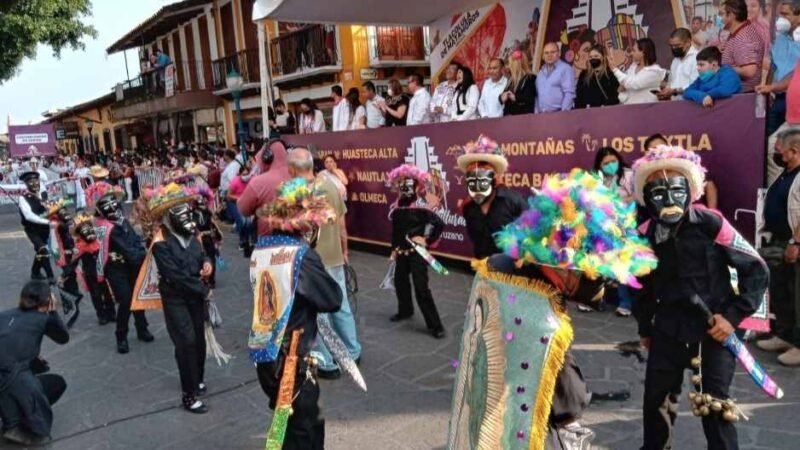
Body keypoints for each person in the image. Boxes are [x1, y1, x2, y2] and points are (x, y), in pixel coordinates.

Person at [449, 170, 657, 450]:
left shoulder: (557, 277)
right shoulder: (508, 273)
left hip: (550, 387)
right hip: (509, 389)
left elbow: (587, 296)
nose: (577, 278)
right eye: (574, 271)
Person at [632, 146, 768, 450]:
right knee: (655, 403)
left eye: (675, 188)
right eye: (657, 190)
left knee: (716, 409)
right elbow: (640, 284)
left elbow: (756, 269)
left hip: (713, 330)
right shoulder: (643, 234)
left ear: (690, 190)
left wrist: (732, 318)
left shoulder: (712, 223)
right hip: (667, 329)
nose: (668, 198)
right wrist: (645, 327)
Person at [250, 177, 342, 449]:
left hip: (265, 352)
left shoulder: (262, 248)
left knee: (289, 418)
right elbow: (332, 298)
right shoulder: (301, 255)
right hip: (291, 360)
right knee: (304, 427)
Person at [278, 149, 362, 380]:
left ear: (293, 169)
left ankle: (327, 362)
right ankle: (352, 350)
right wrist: (344, 250)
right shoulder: (331, 185)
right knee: (341, 303)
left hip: (310, 262)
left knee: (316, 313)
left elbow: (286, 228)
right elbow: (342, 224)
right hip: (333, 255)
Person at [148, 184, 213, 413]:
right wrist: (202, 289)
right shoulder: (160, 243)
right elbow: (174, 275)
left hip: (195, 296)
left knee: (199, 340)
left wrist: (207, 265)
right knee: (186, 342)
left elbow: (203, 255)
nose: (187, 215)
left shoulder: (193, 236)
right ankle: (189, 393)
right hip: (176, 297)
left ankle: (197, 378)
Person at [0, 281, 69, 446]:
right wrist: (52, 312)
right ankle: (18, 425)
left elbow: (10, 345)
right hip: (11, 378)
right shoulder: (42, 318)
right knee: (56, 383)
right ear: (46, 301)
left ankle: (12, 417)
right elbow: (63, 337)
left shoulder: (5, 315)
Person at [93, 184, 154, 354]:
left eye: (114, 204)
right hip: (117, 269)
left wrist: (143, 254)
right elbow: (127, 249)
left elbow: (134, 241)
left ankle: (142, 329)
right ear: (101, 211)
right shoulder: (107, 228)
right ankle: (121, 336)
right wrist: (141, 257)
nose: (113, 208)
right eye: (107, 207)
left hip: (132, 266)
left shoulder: (123, 220)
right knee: (126, 301)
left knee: (137, 297)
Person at [757, 127, 800, 366]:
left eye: (779, 151)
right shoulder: (786, 173)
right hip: (780, 241)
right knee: (781, 291)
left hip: (795, 243)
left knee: (798, 295)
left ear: (793, 151)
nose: (776, 154)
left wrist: (796, 242)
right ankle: (784, 335)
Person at [387, 164, 445, 338]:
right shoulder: (396, 208)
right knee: (400, 283)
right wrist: (393, 250)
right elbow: (396, 231)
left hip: (418, 253)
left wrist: (426, 239)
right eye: (401, 185)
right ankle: (405, 311)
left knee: (421, 288)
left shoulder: (421, 206)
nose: (404, 188)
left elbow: (439, 224)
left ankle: (436, 325)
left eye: (408, 185)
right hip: (401, 252)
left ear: (416, 187)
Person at [457, 135, 526, 259]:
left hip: (513, 271)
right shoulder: (468, 208)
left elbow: (531, 234)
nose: (477, 188)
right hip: (482, 269)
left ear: (494, 179)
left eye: (482, 182)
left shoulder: (513, 201)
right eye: (472, 182)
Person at [592, 147, 636, 317]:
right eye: (606, 163)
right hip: (602, 226)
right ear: (600, 165)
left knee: (622, 263)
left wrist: (618, 201)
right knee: (598, 262)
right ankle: (595, 299)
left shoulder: (629, 175)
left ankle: (625, 302)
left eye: (613, 161)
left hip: (625, 225)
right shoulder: (597, 179)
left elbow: (638, 196)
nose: (610, 165)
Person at [760, 1, 800, 137]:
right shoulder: (780, 38)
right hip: (777, 98)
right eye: (779, 15)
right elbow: (773, 65)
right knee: (771, 138)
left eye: (785, 14)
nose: (780, 19)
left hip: (796, 100)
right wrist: (769, 89)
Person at [238, 139, 291, 238]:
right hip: (297, 243)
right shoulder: (300, 177)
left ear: (267, 158)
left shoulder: (259, 182)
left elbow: (243, 209)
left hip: (268, 242)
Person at [71, 212, 116, 325]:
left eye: (89, 228)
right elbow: (73, 262)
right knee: (96, 295)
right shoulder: (79, 247)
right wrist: (65, 275)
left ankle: (111, 313)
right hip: (91, 274)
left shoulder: (100, 240)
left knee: (107, 292)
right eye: (84, 230)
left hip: (103, 270)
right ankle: (101, 315)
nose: (88, 231)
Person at [17, 171, 56, 282]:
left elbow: (52, 208)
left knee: (40, 251)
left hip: (44, 229)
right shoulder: (23, 198)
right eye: (30, 182)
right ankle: (51, 276)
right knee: (43, 250)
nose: (34, 184)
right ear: (26, 184)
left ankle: (35, 271)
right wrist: (47, 222)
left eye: (36, 181)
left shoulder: (44, 194)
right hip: (32, 229)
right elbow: (28, 216)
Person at [720, 0, 766, 92]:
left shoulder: (744, 37)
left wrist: (722, 68)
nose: (720, 18)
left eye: (722, 14)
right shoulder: (741, 31)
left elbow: (749, 71)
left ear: (732, 15)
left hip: (742, 95)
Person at [610, 38, 666, 104]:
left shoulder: (654, 71)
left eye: (634, 50)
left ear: (643, 52)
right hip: (630, 109)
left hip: (648, 111)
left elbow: (633, 84)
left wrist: (614, 69)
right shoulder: (633, 67)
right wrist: (623, 87)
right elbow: (623, 88)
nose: (631, 53)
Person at [658, 28, 699, 100]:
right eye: (671, 46)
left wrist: (674, 91)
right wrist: (666, 90)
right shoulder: (675, 60)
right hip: (674, 103)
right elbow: (672, 82)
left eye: (677, 45)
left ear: (688, 42)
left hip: (690, 103)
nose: (674, 48)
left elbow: (695, 84)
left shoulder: (697, 58)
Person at [575, 44, 620, 108]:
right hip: (588, 112)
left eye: (596, 56)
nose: (593, 58)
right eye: (590, 57)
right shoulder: (584, 74)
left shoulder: (610, 74)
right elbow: (579, 95)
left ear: (602, 57)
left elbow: (616, 94)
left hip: (606, 112)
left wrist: (606, 105)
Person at [535, 42, 576, 113]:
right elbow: (537, 95)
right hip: (541, 116)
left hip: (558, 115)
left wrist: (563, 114)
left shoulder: (566, 69)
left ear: (559, 53)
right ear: (543, 56)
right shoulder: (540, 73)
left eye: (553, 52)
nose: (549, 55)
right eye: (546, 53)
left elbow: (569, 93)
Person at [500, 50, 536, 115]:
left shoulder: (530, 78)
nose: (508, 66)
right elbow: (503, 95)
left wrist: (515, 97)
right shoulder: (511, 79)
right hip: (509, 117)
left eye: (510, 63)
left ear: (515, 65)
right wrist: (501, 97)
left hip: (523, 116)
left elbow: (529, 97)